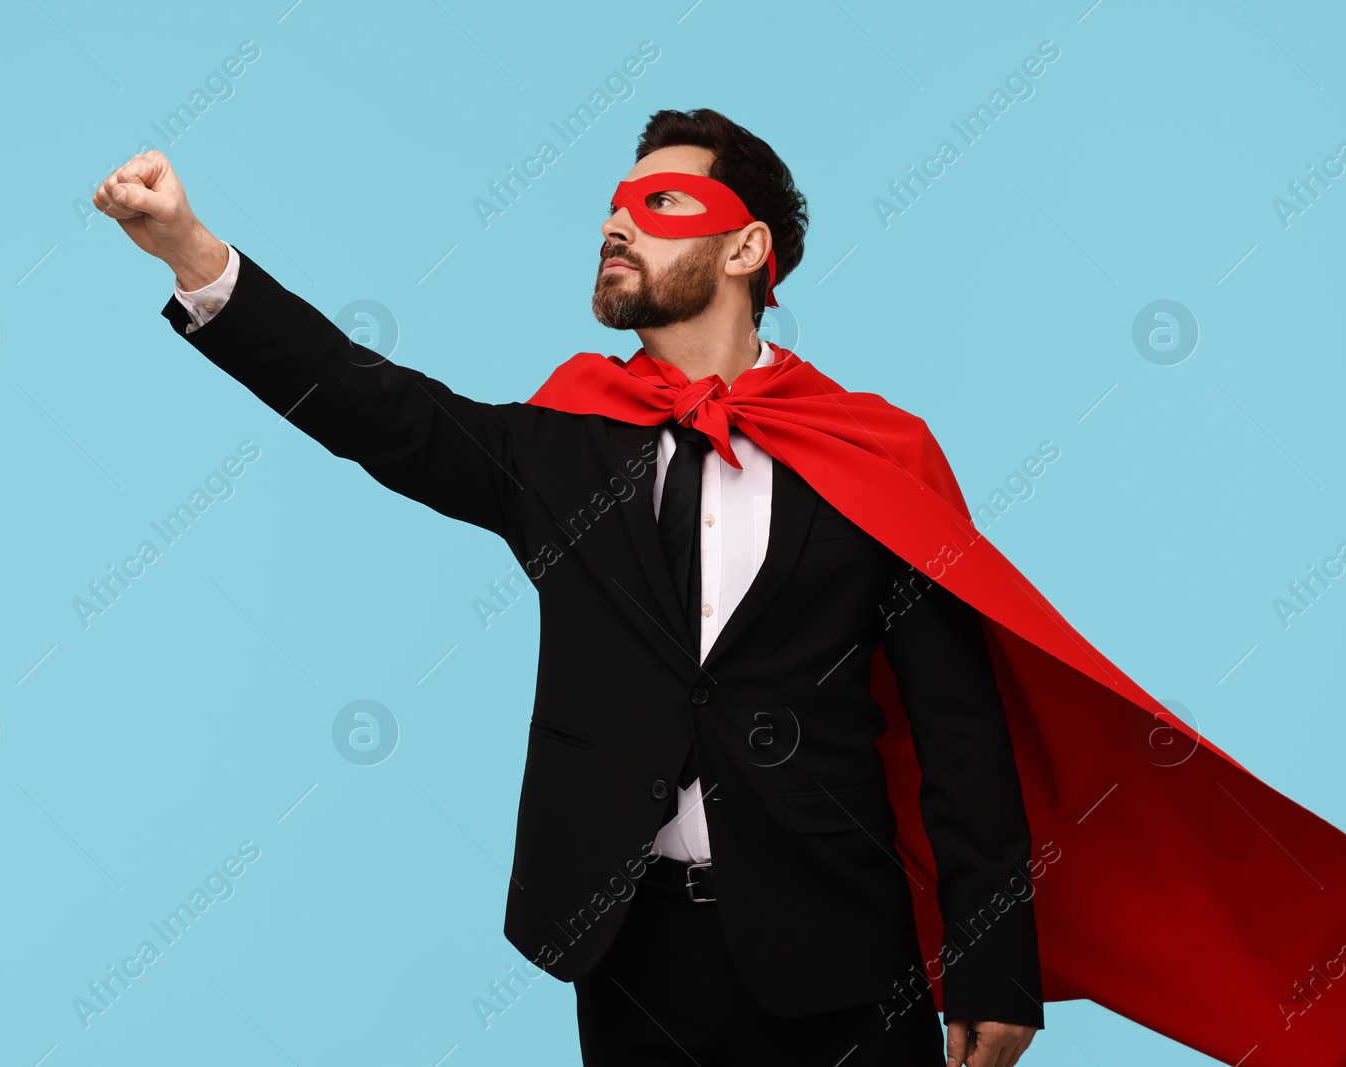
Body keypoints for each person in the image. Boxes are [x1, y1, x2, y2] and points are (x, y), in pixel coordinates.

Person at [94, 108, 1040, 1067]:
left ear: (747, 247)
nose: (615, 225)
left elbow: (961, 728)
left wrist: (994, 964)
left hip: (839, 949)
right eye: (612, 209)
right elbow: (365, 402)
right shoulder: (561, 447)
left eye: (660, 203)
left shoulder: (876, 455)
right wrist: (191, 251)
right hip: (633, 951)